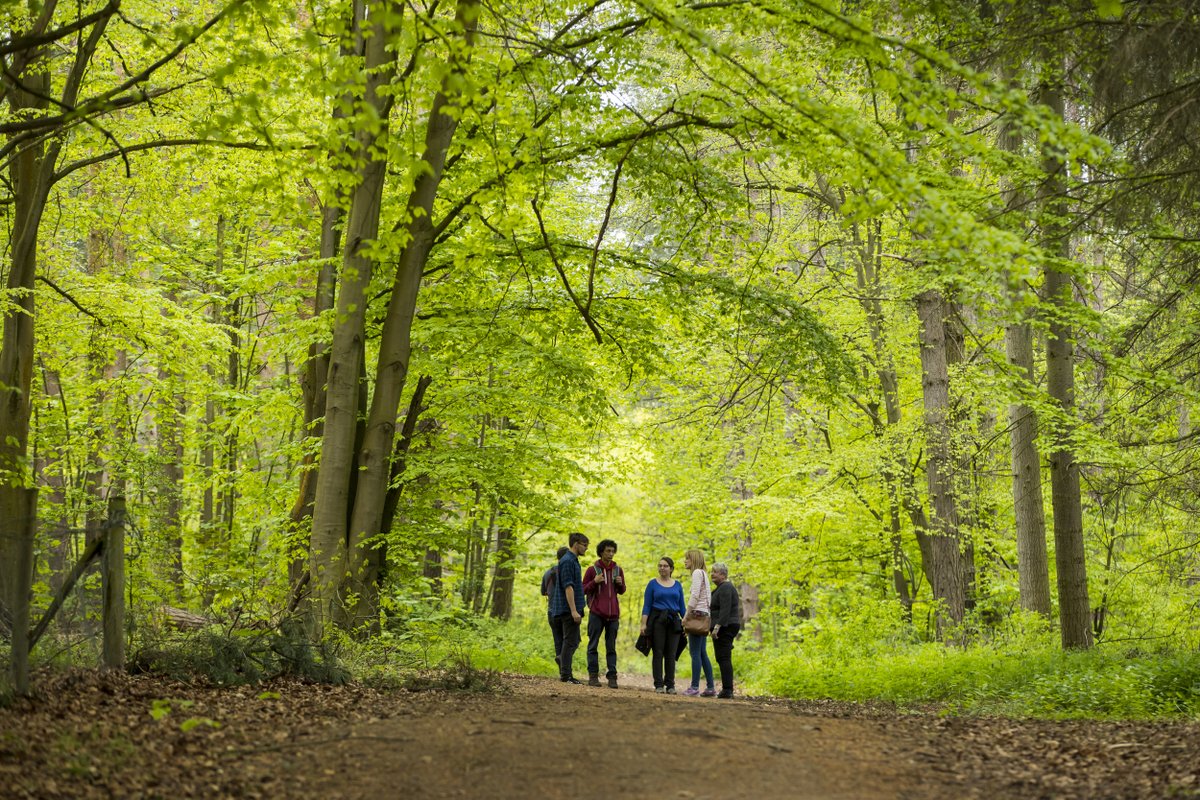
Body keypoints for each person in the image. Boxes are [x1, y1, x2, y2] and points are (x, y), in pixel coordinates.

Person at [640, 555, 686, 694]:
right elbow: (647, 606)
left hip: (674, 621)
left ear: (671, 568)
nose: (662, 568)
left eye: (665, 566)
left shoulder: (677, 585)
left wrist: (686, 624)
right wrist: (643, 624)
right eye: (660, 565)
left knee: (671, 654)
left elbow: (682, 608)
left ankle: (670, 685)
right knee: (658, 652)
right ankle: (659, 684)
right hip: (657, 620)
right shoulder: (652, 584)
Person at [583, 539, 626, 688]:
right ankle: (593, 676)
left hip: (613, 615)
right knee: (593, 645)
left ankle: (612, 677)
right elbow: (583, 589)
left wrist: (620, 584)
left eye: (613, 551)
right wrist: (594, 581)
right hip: (596, 613)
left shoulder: (617, 570)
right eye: (608, 551)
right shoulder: (592, 570)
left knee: (611, 646)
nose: (611, 554)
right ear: (601, 552)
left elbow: (622, 591)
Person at [548, 532, 589, 683]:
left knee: (574, 640)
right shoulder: (567, 561)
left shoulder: (573, 560)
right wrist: (573, 610)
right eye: (584, 545)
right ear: (576, 544)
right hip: (567, 609)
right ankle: (566, 675)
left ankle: (562, 661)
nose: (586, 548)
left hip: (573, 608)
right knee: (570, 641)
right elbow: (568, 587)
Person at [682, 549, 715, 697]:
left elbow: (695, 595)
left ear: (693, 560)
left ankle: (694, 686)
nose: (685, 561)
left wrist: (686, 615)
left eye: (687, 559)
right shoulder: (704, 574)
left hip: (696, 615)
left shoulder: (697, 573)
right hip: (705, 615)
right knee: (702, 653)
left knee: (695, 652)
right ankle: (710, 687)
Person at [709, 562, 742, 699]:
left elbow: (725, 609)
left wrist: (717, 627)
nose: (712, 574)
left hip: (726, 626)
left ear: (722, 574)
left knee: (724, 657)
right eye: (711, 571)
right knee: (722, 657)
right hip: (725, 626)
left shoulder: (726, 587)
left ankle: (727, 690)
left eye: (714, 572)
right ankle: (727, 689)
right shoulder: (721, 588)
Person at [541, 546, 570, 667]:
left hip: (551, 611)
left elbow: (543, 592)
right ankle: (565, 666)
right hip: (565, 611)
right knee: (569, 641)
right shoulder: (569, 572)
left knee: (558, 641)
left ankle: (562, 671)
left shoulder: (548, 573)